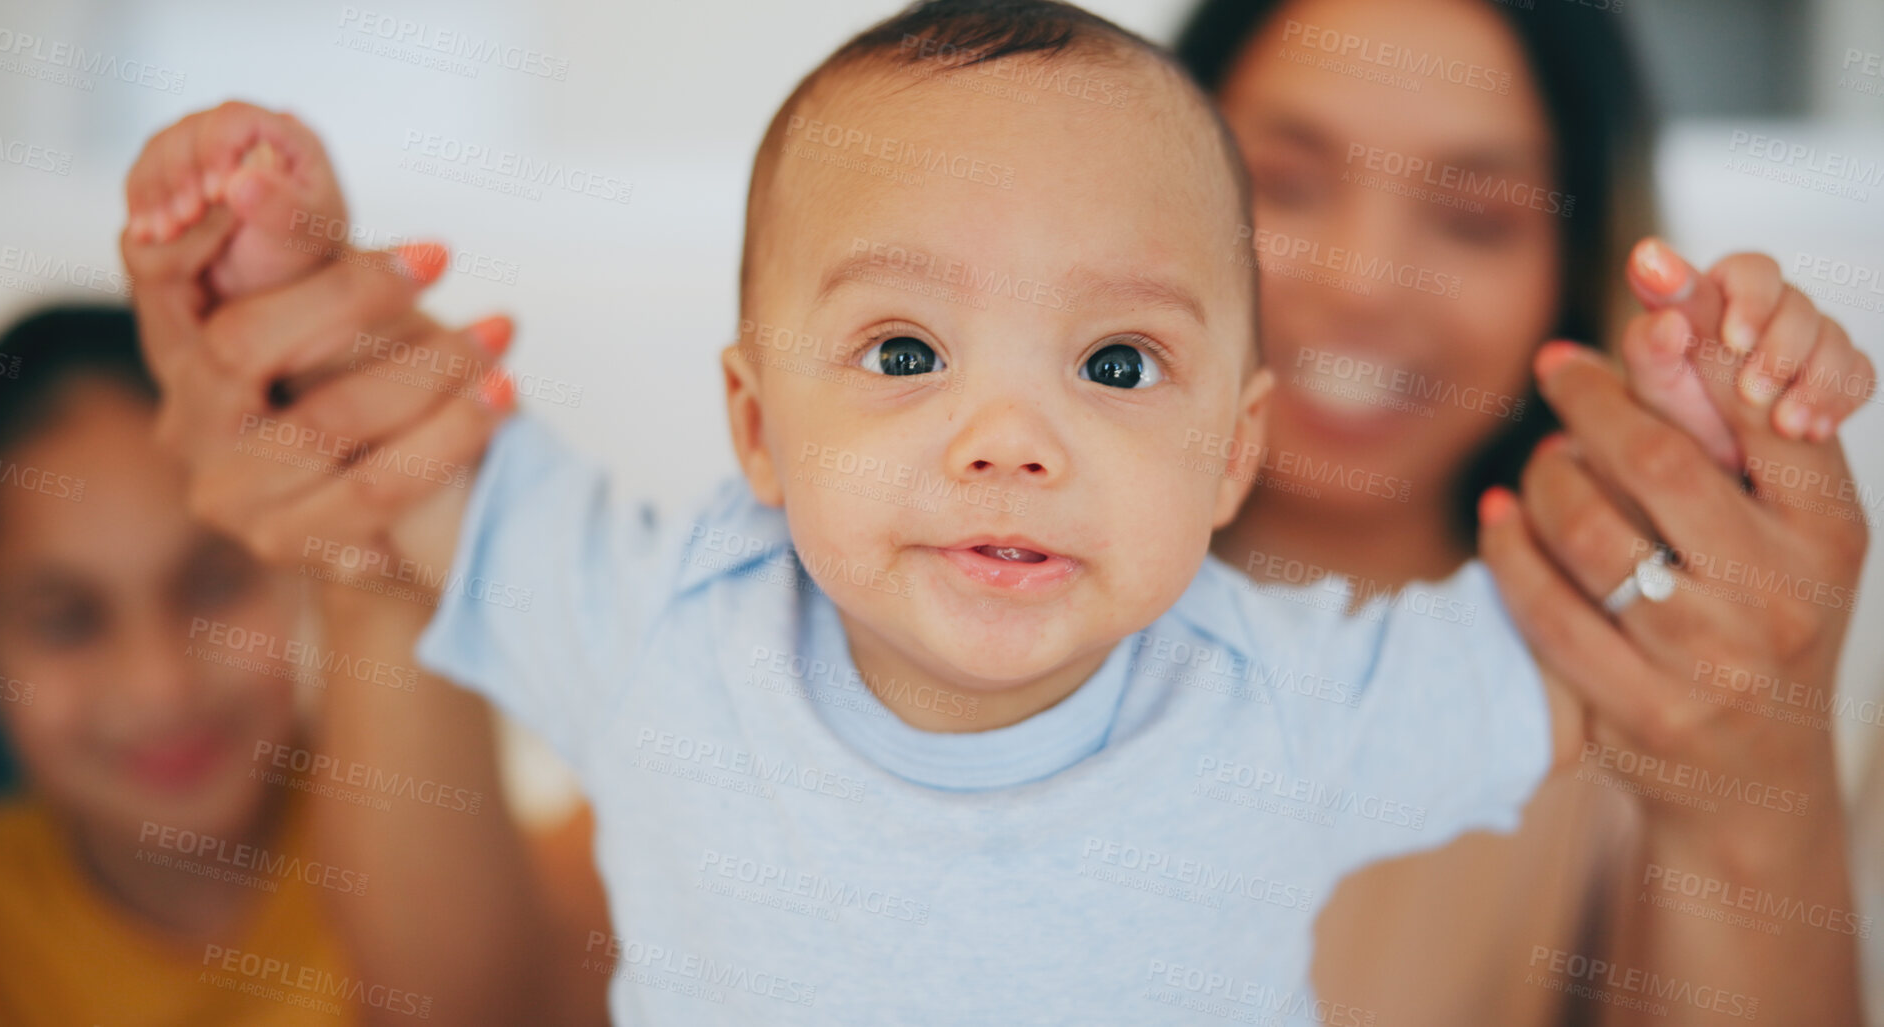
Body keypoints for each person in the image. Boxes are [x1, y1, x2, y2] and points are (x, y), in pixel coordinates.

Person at [120, 1, 1869, 1023]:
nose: (1008, 434)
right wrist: (279, 264)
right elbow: (397, 438)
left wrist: (1715, 416)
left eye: (1113, 362)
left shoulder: (1317, 697)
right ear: (752, 418)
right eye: (902, 347)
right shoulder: (682, 616)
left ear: (1231, 436)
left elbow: (1653, 642)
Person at [1174, 1, 1873, 1022]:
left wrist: (1752, 791)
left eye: (1476, 217)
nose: (1364, 283)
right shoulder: (934, 590)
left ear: (1573, 265)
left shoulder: (1641, 719)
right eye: (1279, 184)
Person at [0, 306, 361, 1026]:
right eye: (65, 620)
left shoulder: (434, 849)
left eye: (215, 581)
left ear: (301, 562)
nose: (160, 685)